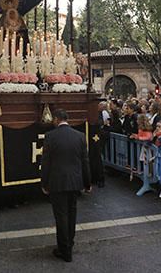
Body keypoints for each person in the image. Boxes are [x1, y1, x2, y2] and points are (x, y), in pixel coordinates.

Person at [41, 109, 91, 263]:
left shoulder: (50, 136)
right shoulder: (80, 136)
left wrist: (44, 183)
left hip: (57, 182)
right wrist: (87, 183)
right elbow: (85, 162)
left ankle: (64, 249)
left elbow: (46, 163)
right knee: (72, 214)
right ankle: (70, 243)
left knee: (61, 216)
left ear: (56, 119)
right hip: (75, 182)